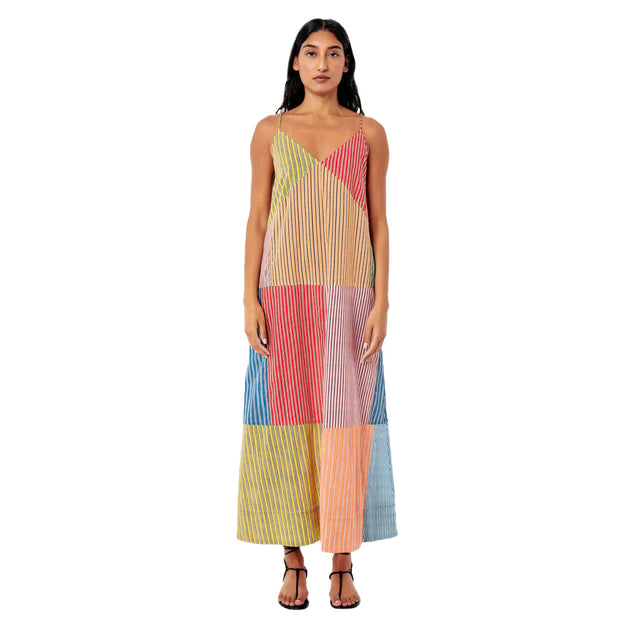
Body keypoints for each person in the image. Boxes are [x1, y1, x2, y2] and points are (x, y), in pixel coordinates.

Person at [236, 18, 398, 610]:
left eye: (333, 53)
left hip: (350, 299)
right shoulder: (271, 130)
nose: (322, 63)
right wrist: (249, 298)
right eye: (311, 52)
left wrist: (382, 300)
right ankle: (293, 559)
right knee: (283, 422)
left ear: (347, 63)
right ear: (295, 63)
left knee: (346, 426)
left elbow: (379, 221)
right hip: (282, 297)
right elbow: (257, 218)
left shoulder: (369, 132)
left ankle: (343, 562)